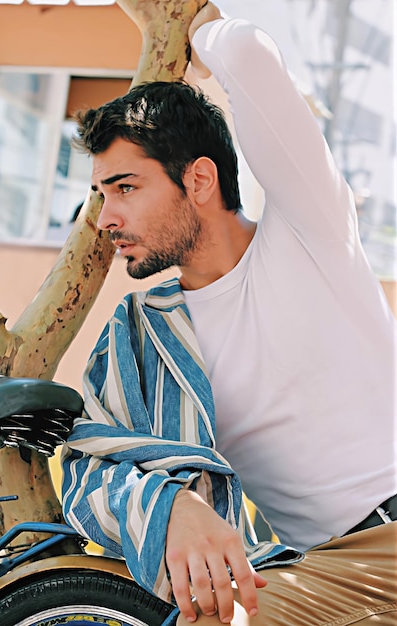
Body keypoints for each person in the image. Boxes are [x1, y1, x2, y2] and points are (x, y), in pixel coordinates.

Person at [61, 3, 397, 624]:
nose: (106, 219)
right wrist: (173, 507)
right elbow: (92, 452)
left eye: (126, 189)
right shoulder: (151, 332)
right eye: (101, 195)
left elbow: (246, 55)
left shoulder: (308, 231)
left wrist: (197, 22)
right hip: (319, 571)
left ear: (200, 179)